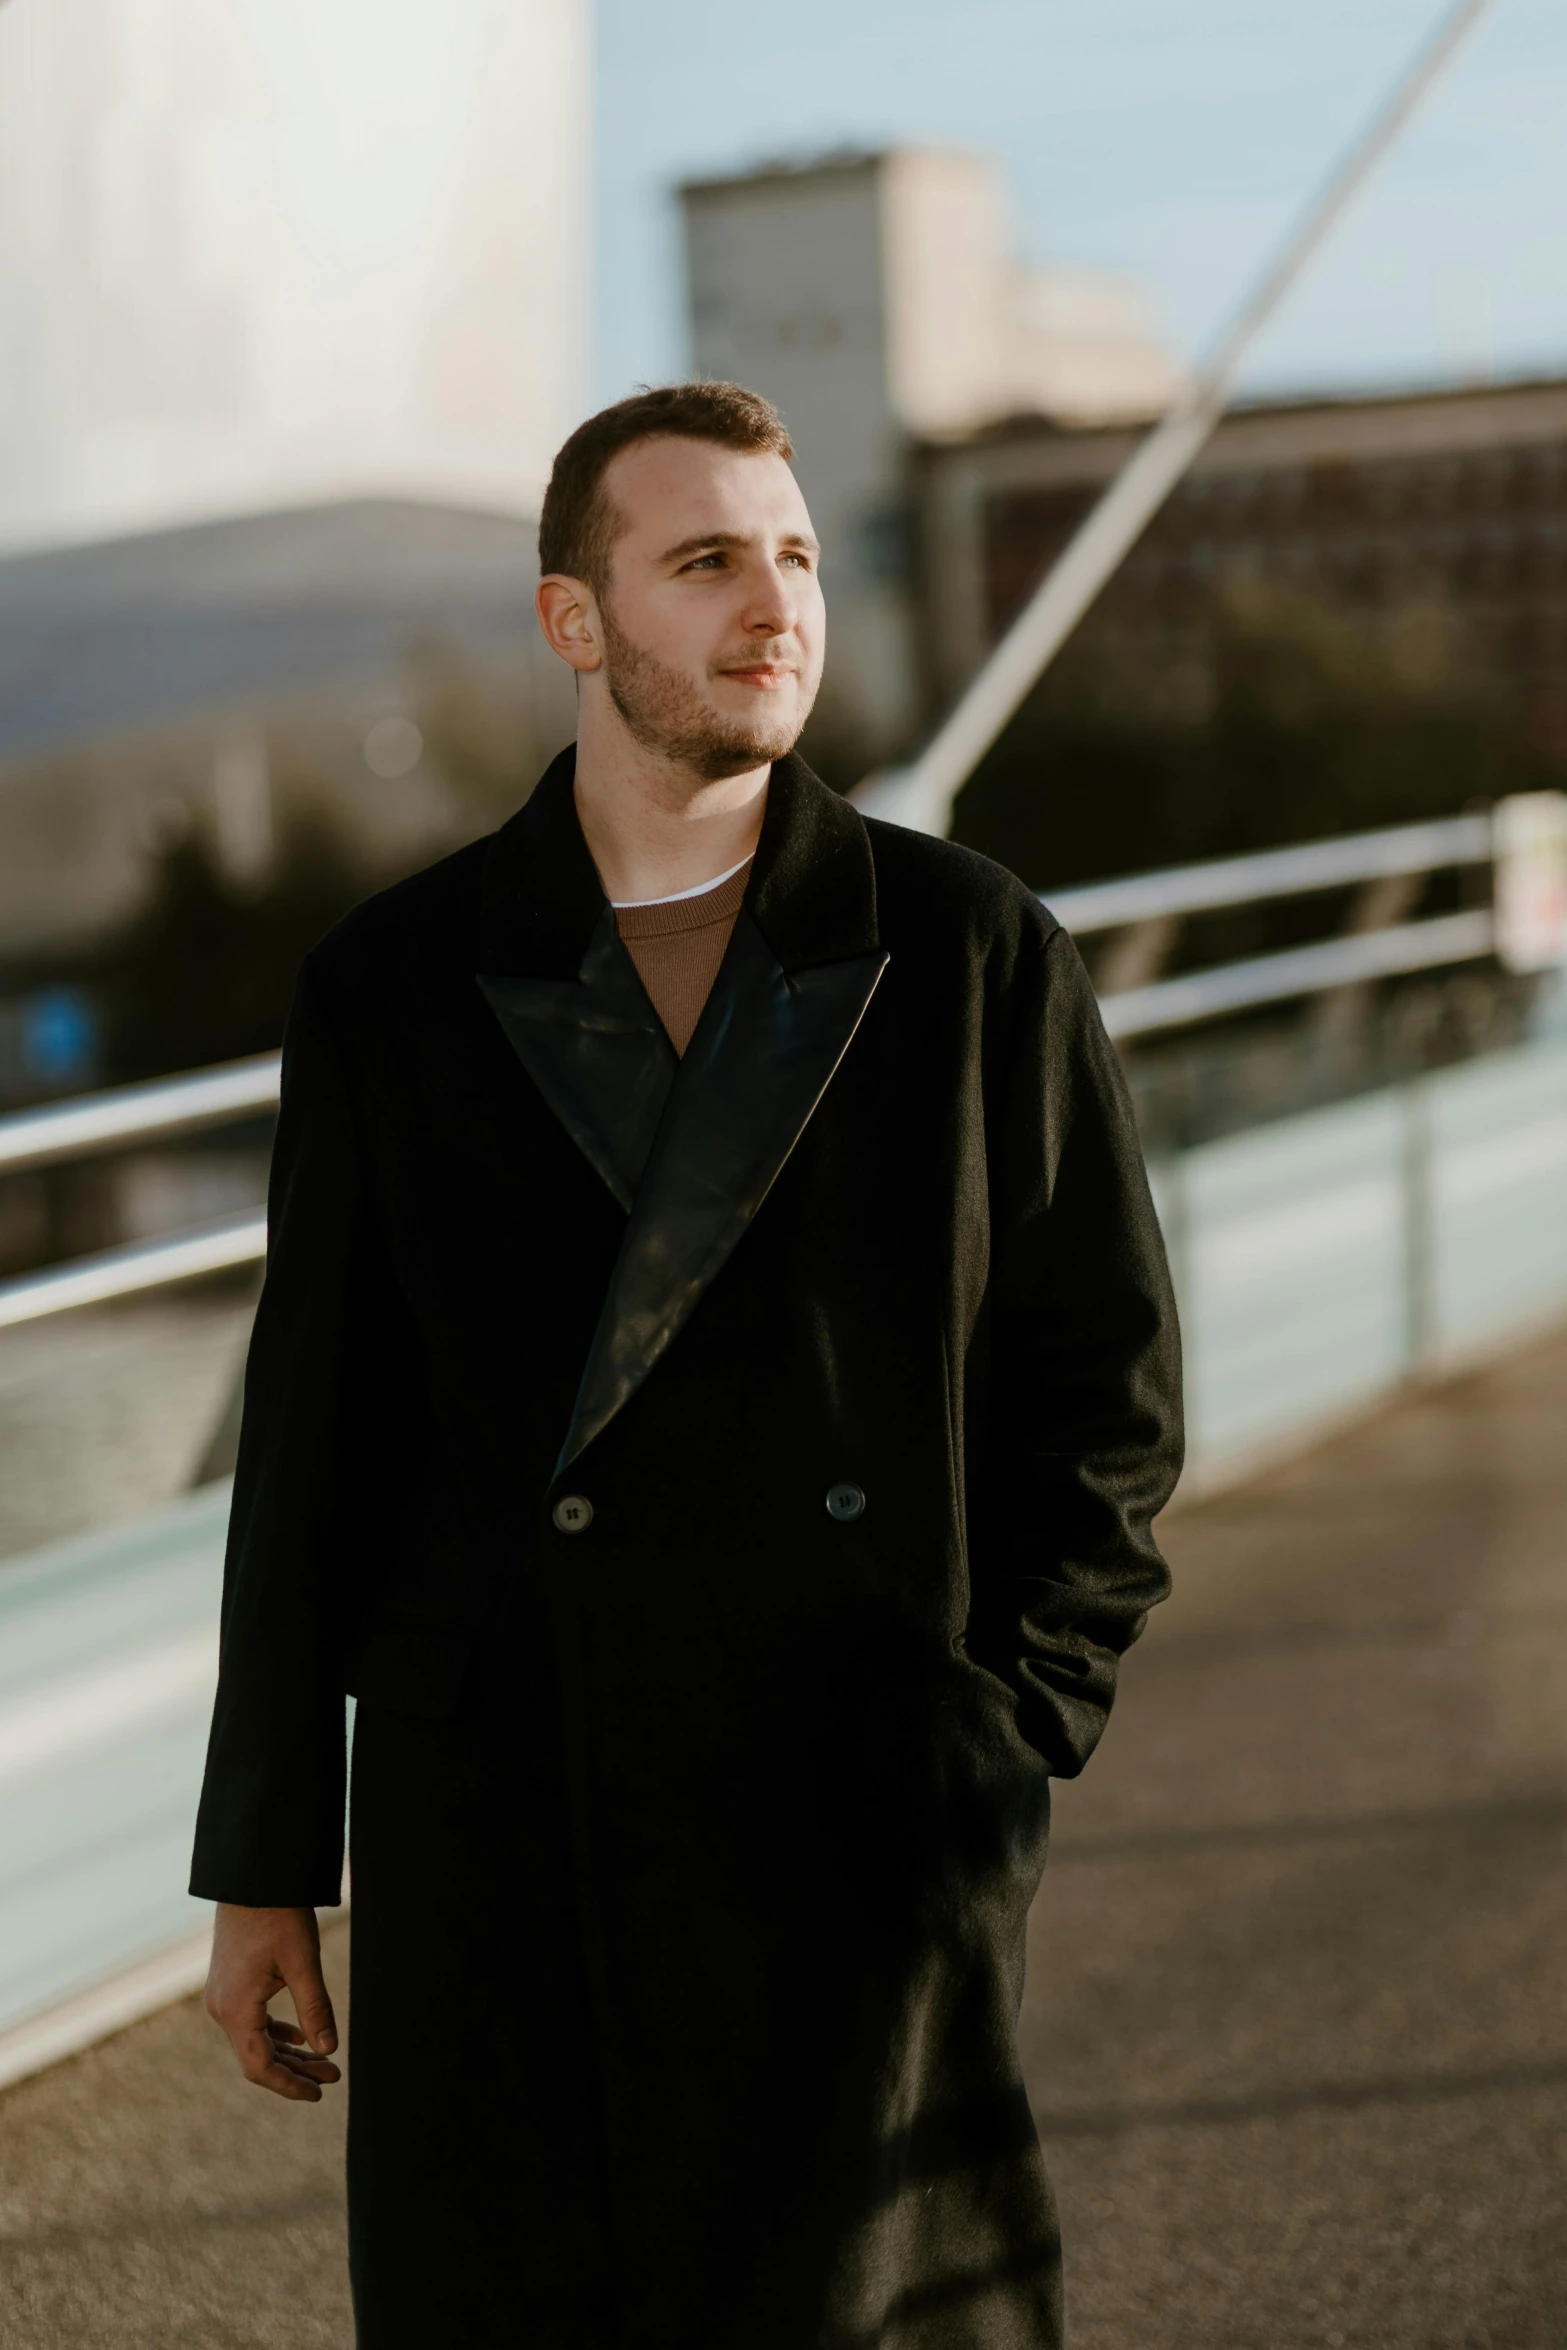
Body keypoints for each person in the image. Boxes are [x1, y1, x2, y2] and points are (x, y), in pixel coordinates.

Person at [191, 380, 1182, 2349]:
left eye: (795, 555)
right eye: (708, 559)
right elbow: (316, 1440)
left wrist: (1000, 1734)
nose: (775, 603)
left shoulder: (968, 950)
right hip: (507, 1827)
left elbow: (1109, 1399)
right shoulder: (394, 982)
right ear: (578, 619)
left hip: (861, 1812)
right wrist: (266, 1863)